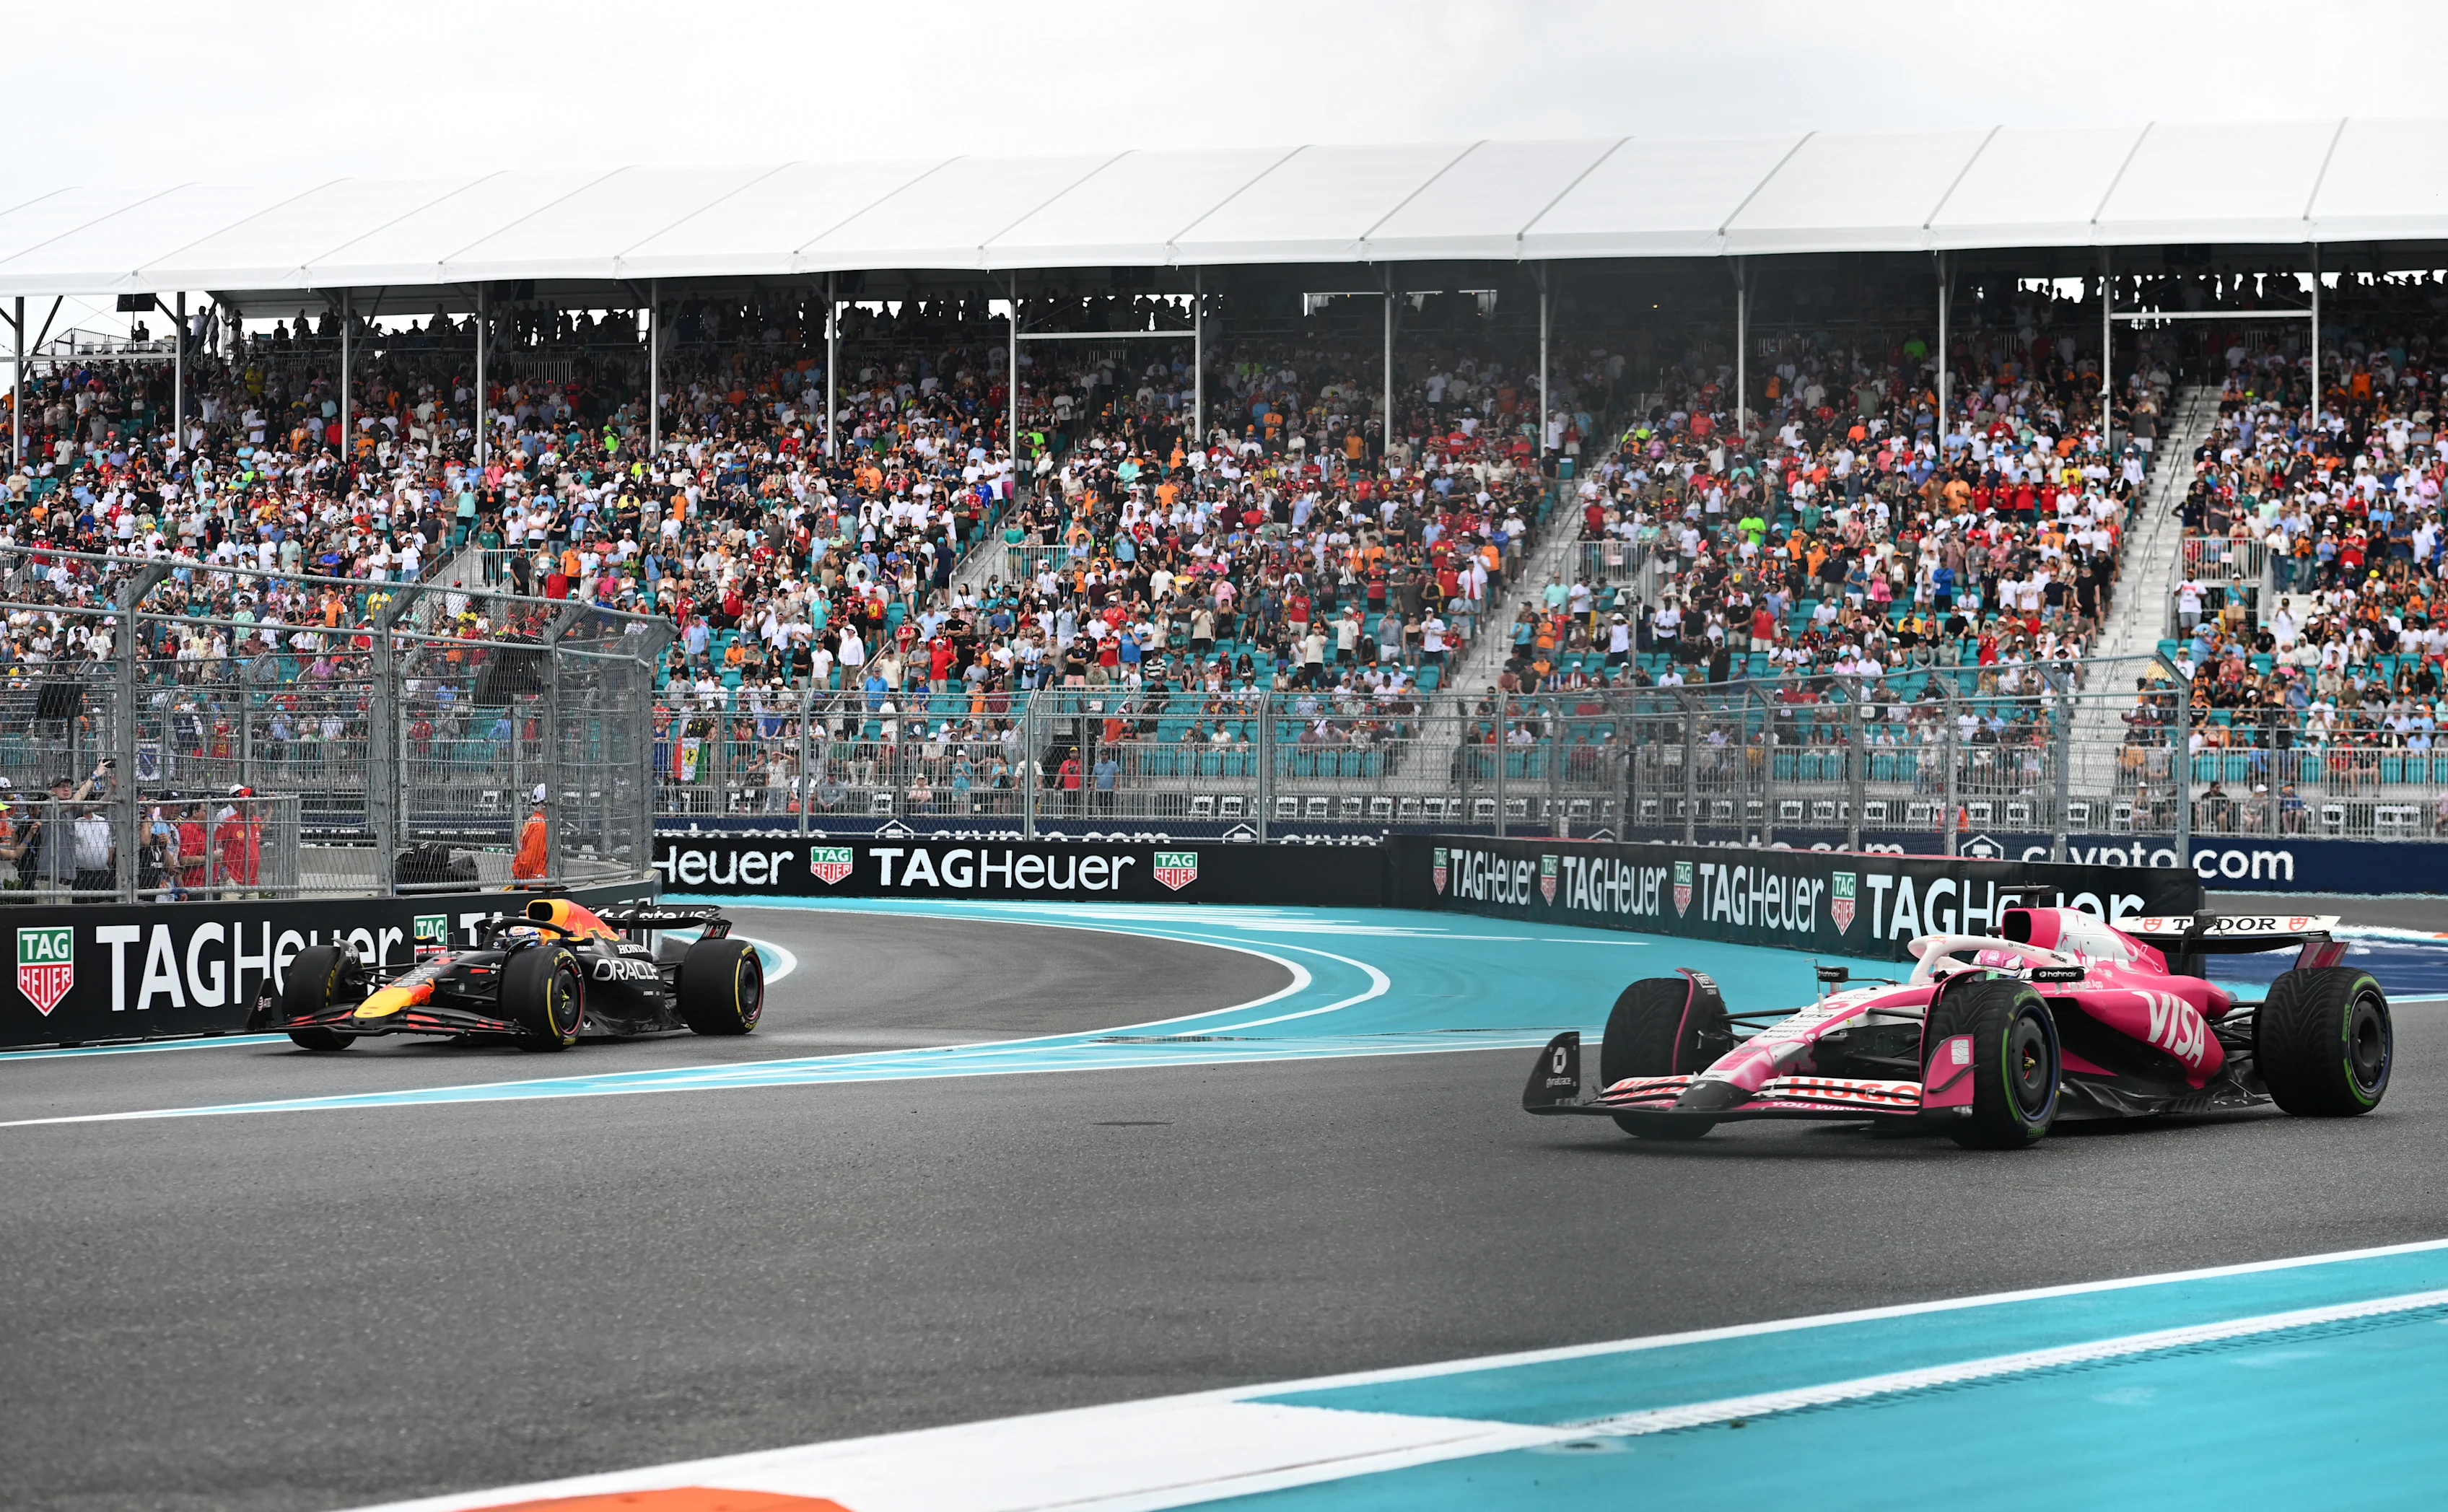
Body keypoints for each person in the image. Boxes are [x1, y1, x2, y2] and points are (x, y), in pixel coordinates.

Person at [512, 784, 548, 883]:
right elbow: (528, 860)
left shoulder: (531, 822)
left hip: (531, 880)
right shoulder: (540, 827)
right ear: (545, 805)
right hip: (535, 883)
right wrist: (520, 879)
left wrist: (518, 875)